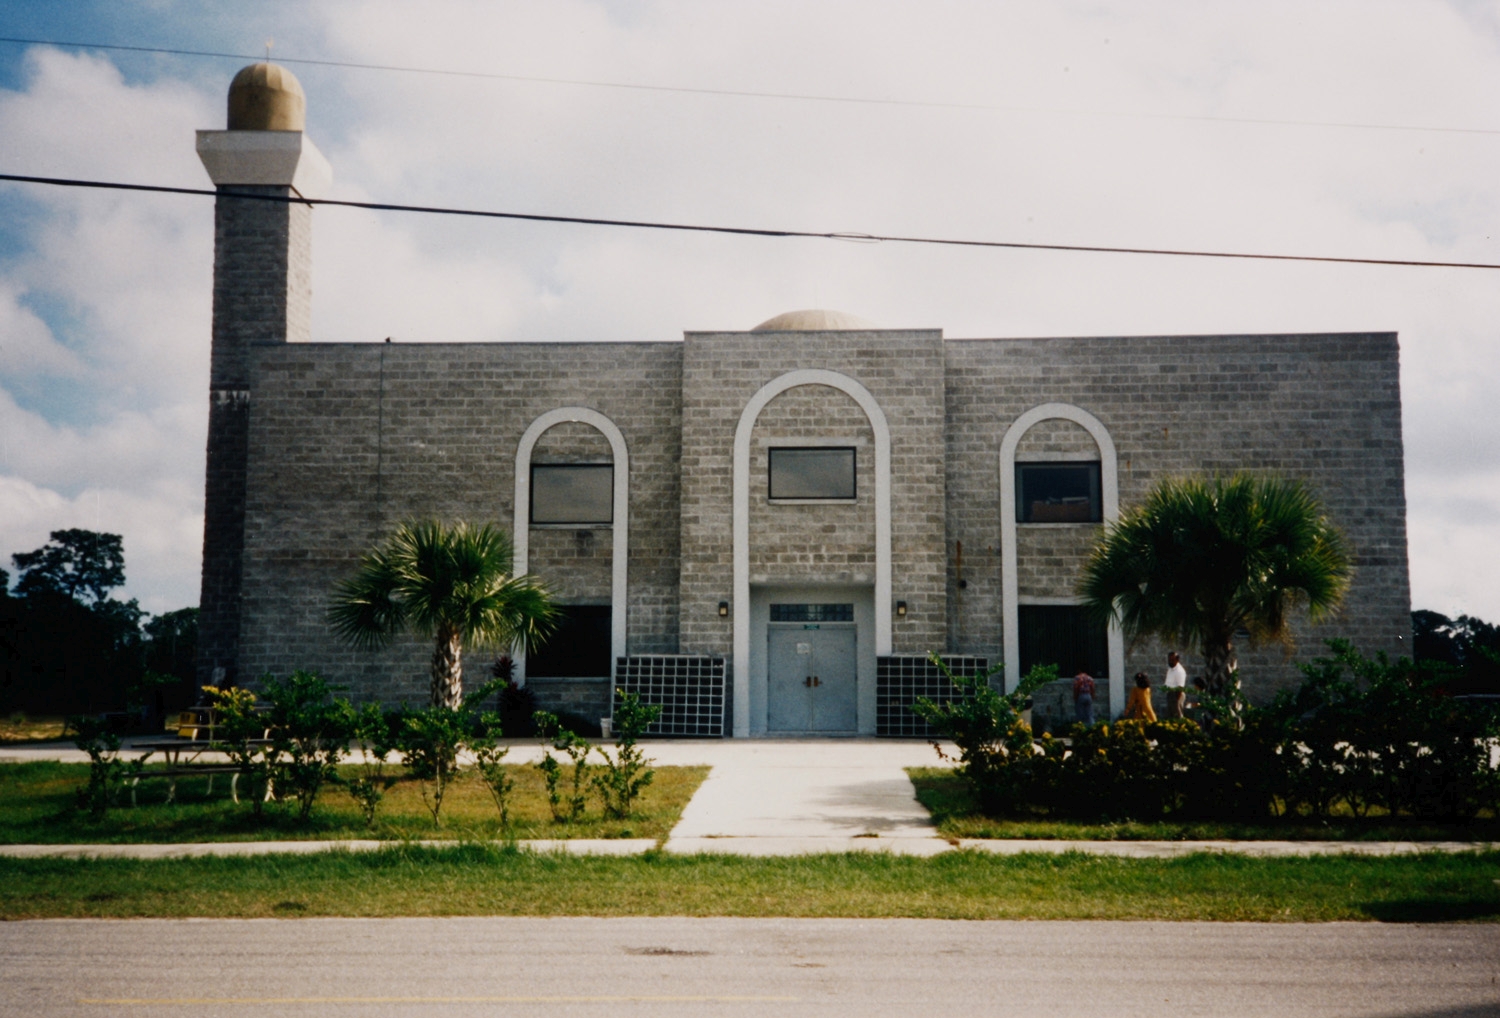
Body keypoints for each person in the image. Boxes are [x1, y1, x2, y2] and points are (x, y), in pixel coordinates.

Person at [1164, 650, 1187, 718]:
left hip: (1176, 695)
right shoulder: (1171, 669)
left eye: (1172, 660)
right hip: (1170, 694)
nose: (1170, 661)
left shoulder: (1179, 671)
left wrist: (1176, 700)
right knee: (1170, 715)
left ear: (1177, 660)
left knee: (1177, 715)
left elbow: (1180, 687)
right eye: (1169, 659)